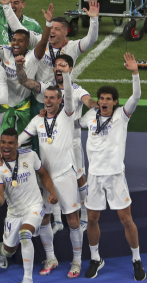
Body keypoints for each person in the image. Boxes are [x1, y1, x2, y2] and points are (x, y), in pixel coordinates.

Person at [79, 53, 146, 281]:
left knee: (126, 220)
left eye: (108, 99)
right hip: (94, 177)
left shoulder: (122, 116)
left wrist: (135, 72)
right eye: (101, 98)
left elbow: (136, 96)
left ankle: (137, 259)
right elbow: (71, 119)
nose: (104, 102)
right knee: (92, 220)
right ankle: (96, 258)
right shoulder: (90, 116)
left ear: (115, 102)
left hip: (116, 176)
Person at [17, 62, 83, 278]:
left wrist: (66, 75)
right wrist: (4, 151)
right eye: (46, 98)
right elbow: (21, 139)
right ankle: (51, 258)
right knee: (44, 218)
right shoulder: (38, 120)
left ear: (60, 100)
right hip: (46, 178)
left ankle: (77, 261)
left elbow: (71, 96)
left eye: (52, 98)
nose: (48, 101)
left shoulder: (67, 114)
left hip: (65, 175)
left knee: (72, 220)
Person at [31, 55, 98, 234]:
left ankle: (84, 216)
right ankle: (57, 220)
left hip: (72, 142)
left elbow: (87, 100)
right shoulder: (49, 89)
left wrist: (94, 104)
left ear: (70, 69)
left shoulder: (76, 90)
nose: (59, 68)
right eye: (56, 65)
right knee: (50, 177)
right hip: (52, 141)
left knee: (79, 177)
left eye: (63, 65)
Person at [0, 128, 58, 283]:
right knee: (8, 251)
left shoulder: (30, 156)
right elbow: (1, 201)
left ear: (17, 144)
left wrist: (52, 192)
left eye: (10, 143)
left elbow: (43, 174)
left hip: (34, 206)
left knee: (25, 234)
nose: (5, 146)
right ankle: (0, 250)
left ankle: (27, 279)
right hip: (14, 213)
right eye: (2, 142)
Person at [0, 4, 52, 141]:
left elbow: (43, 42)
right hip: (3, 105)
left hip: (23, 106)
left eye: (21, 41)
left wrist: (48, 23)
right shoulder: (4, 50)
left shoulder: (33, 57)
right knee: (1, 141)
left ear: (28, 44)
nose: (16, 43)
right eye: (14, 40)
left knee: (22, 142)